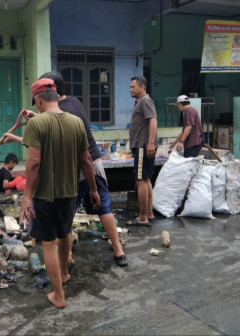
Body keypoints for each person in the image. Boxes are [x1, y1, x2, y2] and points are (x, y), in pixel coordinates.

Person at [19, 78, 101, 309]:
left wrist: (26, 196)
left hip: (45, 195)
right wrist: (93, 190)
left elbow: (34, 163)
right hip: (70, 192)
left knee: (48, 243)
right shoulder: (76, 123)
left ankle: (59, 296)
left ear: (39, 100)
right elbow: (87, 160)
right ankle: (64, 273)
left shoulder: (37, 124)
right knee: (66, 232)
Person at [39, 71, 128, 267]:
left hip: (77, 167)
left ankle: (67, 256)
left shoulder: (60, 112)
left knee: (67, 213)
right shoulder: (74, 102)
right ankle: (118, 250)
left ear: (51, 90)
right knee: (104, 207)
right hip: (95, 161)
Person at [127, 76, 158, 227]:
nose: (131, 89)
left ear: (142, 87)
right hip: (143, 146)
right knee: (146, 180)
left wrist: (150, 143)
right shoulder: (141, 101)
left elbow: (153, 120)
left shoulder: (145, 100)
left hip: (142, 146)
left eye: (133, 87)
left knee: (140, 181)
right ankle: (149, 213)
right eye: (130, 87)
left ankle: (143, 217)